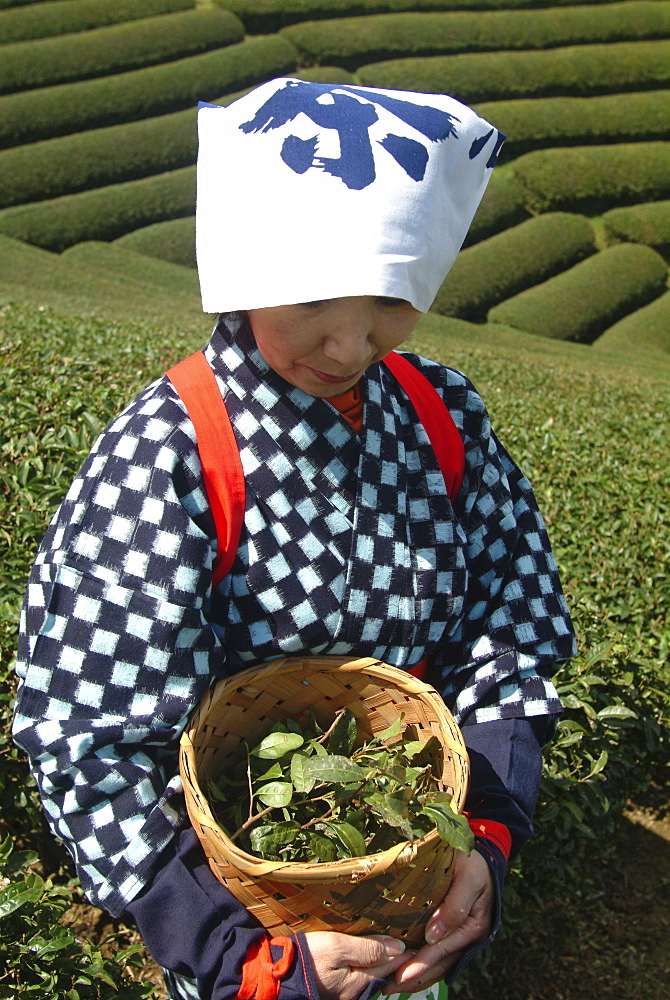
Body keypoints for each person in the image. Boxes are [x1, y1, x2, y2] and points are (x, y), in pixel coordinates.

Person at [13, 78, 576, 1000]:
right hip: (240, 905)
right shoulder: (176, 450)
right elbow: (88, 732)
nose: (350, 345)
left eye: (391, 299)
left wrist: (484, 835)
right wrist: (233, 955)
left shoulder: (443, 416)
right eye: (315, 297)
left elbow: (509, 628)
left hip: (411, 863)